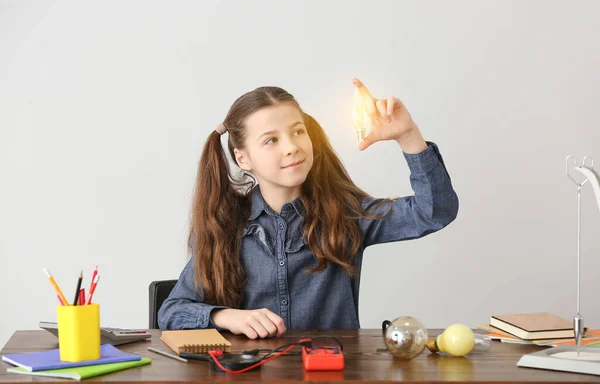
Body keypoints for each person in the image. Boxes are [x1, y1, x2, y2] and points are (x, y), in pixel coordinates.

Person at [158, 78, 459, 339]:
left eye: (298, 131)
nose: (291, 146)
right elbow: (172, 312)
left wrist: (408, 136)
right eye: (271, 140)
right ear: (243, 158)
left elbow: (433, 212)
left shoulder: (345, 214)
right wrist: (225, 317)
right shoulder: (225, 225)